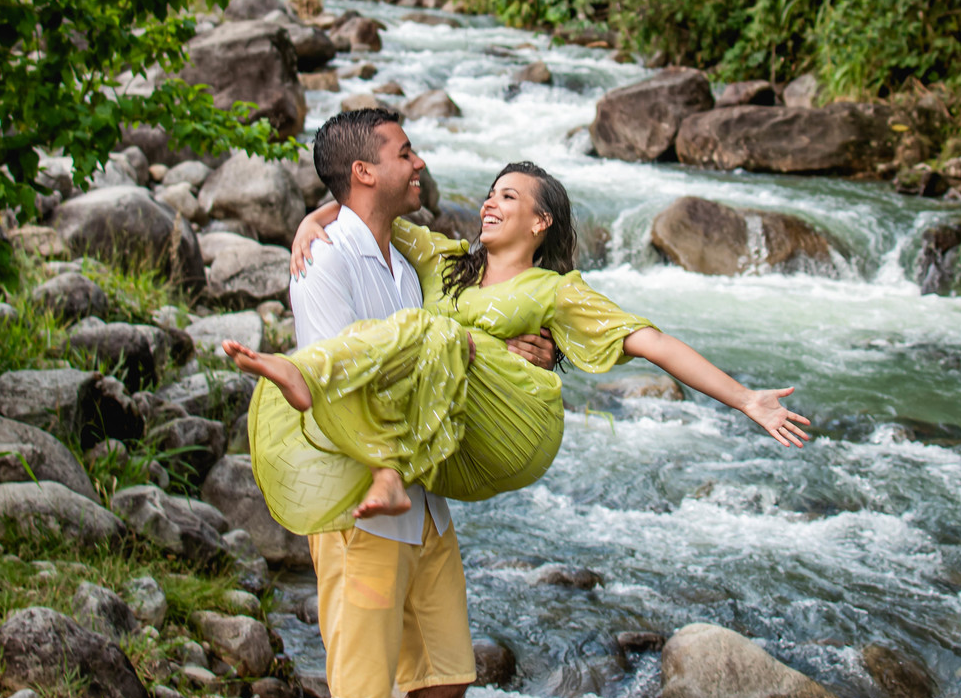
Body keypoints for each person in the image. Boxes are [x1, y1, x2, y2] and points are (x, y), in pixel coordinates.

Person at [260, 108, 557, 698]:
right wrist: (317, 220)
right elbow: (333, 386)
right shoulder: (326, 263)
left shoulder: (410, 256)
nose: (418, 163)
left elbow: (457, 333)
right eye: (404, 152)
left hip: (423, 503)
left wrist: (520, 352)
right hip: (364, 508)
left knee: (447, 677)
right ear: (365, 172)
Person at [227, 165, 811, 532]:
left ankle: (310, 373)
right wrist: (313, 218)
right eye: (489, 193)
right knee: (434, 332)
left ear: (539, 222)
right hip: (453, 432)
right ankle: (390, 468)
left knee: (438, 333)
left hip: (517, 425)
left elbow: (653, 342)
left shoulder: (556, 291)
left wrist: (745, 399)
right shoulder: (444, 261)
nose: (489, 203)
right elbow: (368, 210)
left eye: (507, 196)